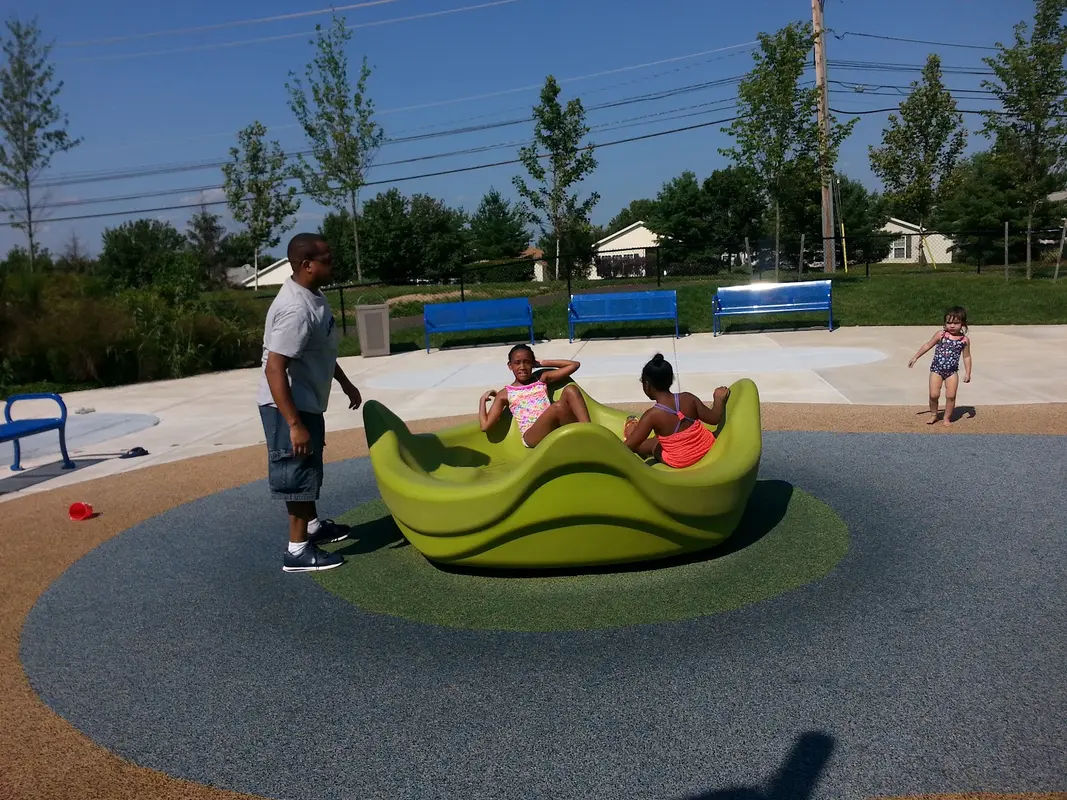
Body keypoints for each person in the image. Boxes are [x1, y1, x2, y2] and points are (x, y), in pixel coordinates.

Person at [257, 233, 363, 573]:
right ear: (306, 265)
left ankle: (313, 527)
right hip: (288, 406)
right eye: (327, 259)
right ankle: (297, 550)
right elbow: (275, 368)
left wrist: (345, 383)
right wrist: (294, 424)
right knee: (298, 472)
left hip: (306, 401)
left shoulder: (313, 296)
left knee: (308, 466)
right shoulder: (295, 309)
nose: (332, 264)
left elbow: (321, 350)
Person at [622, 353, 729, 468]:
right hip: (706, 447)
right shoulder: (688, 398)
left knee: (653, 445)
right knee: (660, 438)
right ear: (670, 380)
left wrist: (631, 437)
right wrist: (718, 398)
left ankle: (632, 431)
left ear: (647, 385)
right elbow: (714, 418)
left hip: (681, 460)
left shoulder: (652, 415)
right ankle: (637, 433)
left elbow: (629, 447)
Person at [478, 344, 591, 447]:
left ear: (533, 363)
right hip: (532, 435)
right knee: (557, 407)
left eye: (527, 362)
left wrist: (542, 363)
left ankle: (590, 433)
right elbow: (485, 426)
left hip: (553, 427)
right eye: (517, 363)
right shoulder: (505, 393)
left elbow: (574, 365)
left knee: (571, 390)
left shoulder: (541, 378)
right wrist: (482, 400)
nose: (522, 367)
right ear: (510, 366)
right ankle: (584, 438)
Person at [908, 306, 972, 426]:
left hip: (952, 372)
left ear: (963, 324)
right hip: (936, 370)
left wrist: (968, 372)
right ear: (944, 323)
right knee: (934, 395)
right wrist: (916, 357)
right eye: (949, 322)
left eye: (956, 323)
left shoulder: (964, 340)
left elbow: (967, 357)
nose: (952, 326)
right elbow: (927, 345)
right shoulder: (940, 335)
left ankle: (947, 418)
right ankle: (934, 414)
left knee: (951, 396)